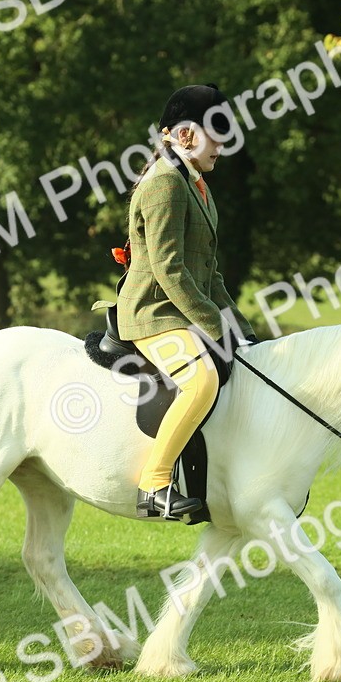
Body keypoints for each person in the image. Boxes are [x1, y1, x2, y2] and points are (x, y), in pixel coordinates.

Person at [117, 83, 259, 520]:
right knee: (201, 381)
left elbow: (210, 274)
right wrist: (215, 329)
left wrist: (243, 333)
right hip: (152, 312)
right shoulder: (165, 184)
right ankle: (155, 483)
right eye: (215, 131)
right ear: (181, 135)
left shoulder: (196, 186)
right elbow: (169, 269)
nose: (223, 142)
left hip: (177, 309)